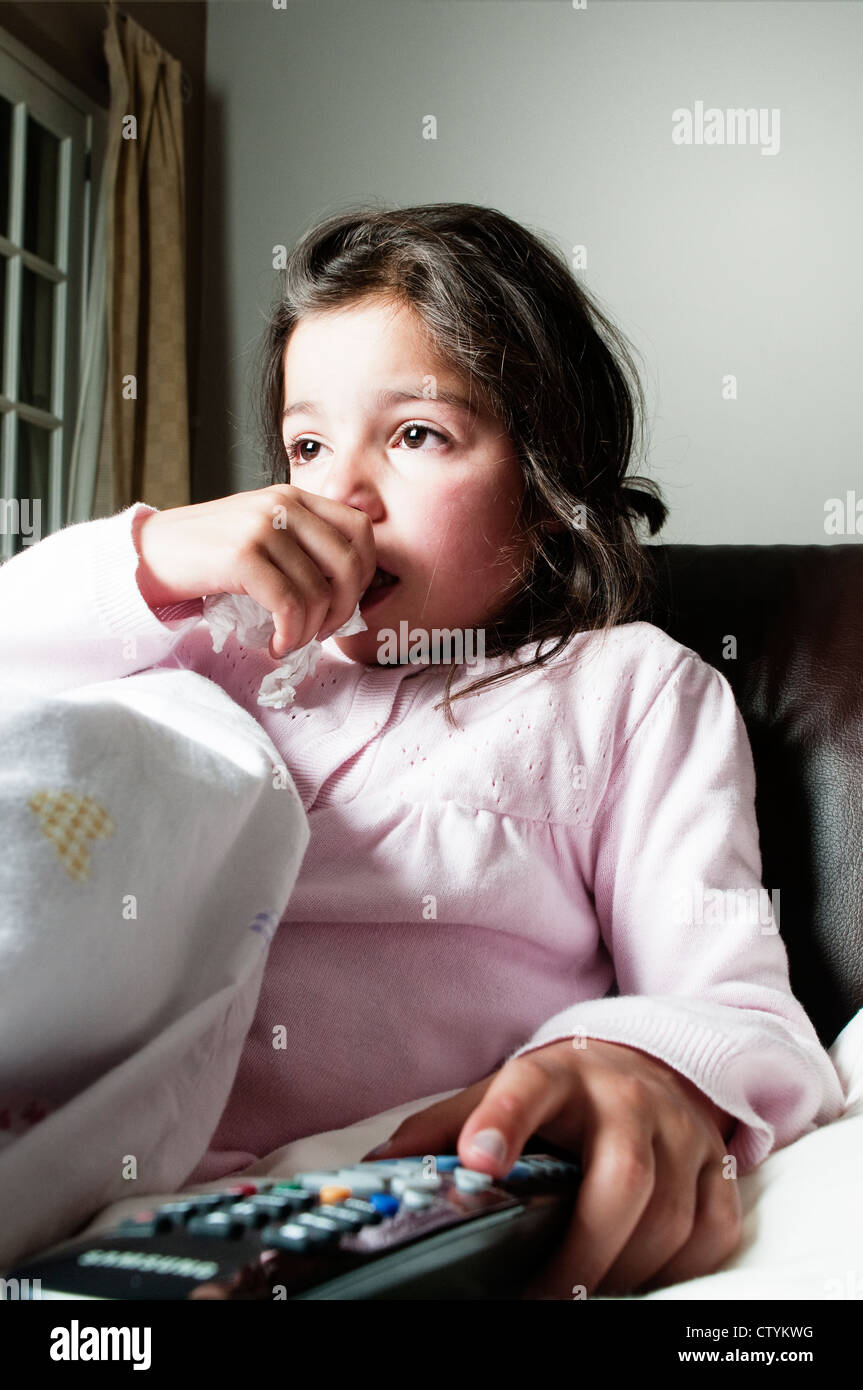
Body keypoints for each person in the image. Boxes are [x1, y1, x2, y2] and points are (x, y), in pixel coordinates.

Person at [0, 203, 843, 1299]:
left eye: (414, 436)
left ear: (546, 487)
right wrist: (152, 555)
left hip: (344, 1212)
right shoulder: (206, 657)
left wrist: (639, 1067)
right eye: (307, 445)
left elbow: (730, 1005)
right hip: (61, 1176)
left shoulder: (622, 691)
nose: (339, 495)